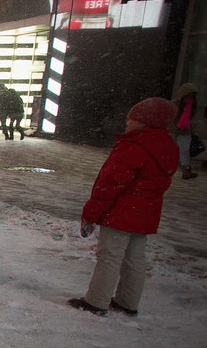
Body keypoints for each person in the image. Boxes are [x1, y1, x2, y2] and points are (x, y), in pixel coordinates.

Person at [69, 97, 179, 316]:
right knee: (135, 259)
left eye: (132, 118)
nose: (127, 121)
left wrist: (91, 214)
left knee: (109, 256)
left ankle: (96, 301)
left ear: (145, 121)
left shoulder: (134, 146)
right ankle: (127, 302)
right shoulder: (167, 147)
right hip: (145, 214)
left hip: (120, 213)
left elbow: (110, 185)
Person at [172, 82, 198, 179]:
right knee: (179, 151)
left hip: (184, 131)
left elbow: (192, 118)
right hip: (174, 129)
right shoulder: (175, 103)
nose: (192, 96)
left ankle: (186, 171)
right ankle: (184, 171)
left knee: (184, 151)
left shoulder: (192, 105)